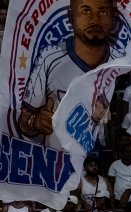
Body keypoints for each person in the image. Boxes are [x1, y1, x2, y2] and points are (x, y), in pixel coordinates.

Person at [19, 0, 117, 137]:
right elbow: (22, 123)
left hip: (94, 148)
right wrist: (35, 121)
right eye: (86, 11)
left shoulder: (122, 62)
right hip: (53, 149)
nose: (95, 20)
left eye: (103, 12)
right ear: (71, 16)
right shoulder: (50, 56)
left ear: (113, 17)